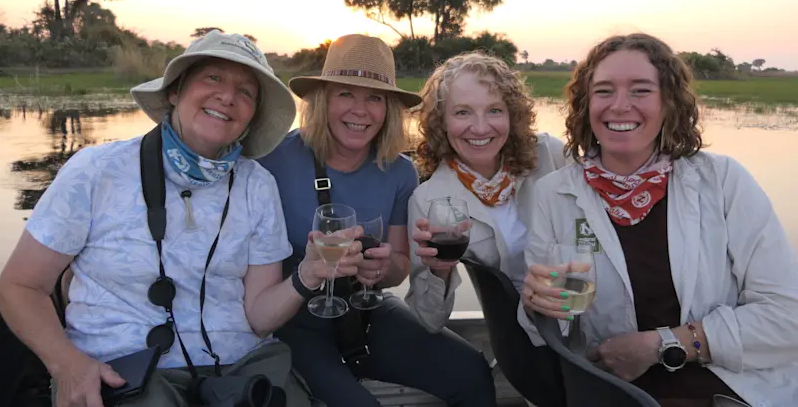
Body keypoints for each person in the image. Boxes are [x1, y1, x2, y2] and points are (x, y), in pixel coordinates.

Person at [0, 30, 357, 407]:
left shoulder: (258, 185)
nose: (227, 96)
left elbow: (259, 317)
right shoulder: (96, 170)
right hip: (123, 369)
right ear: (174, 91)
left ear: (252, 116)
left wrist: (308, 274)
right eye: (213, 78)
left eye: (246, 92)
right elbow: (20, 286)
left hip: (240, 367)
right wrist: (66, 364)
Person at [519, 33, 798, 407]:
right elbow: (547, 332)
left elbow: (788, 317)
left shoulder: (724, 182)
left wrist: (662, 344)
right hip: (614, 390)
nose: (620, 106)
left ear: (669, 103)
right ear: (585, 105)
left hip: (730, 386)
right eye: (604, 91)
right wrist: (538, 304)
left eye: (640, 90)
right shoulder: (553, 194)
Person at [259, 34, 497, 407]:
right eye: (345, 94)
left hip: (365, 311)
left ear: (388, 109)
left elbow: (398, 269)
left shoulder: (400, 172)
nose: (361, 110)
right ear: (322, 100)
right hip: (295, 321)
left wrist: (381, 270)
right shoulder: (273, 161)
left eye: (374, 98)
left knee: (472, 373)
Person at [404, 52, 568, 407]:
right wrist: (438, 272)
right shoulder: (429, 199)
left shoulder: (551, 155)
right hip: (530, 345)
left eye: (494, 110)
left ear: (513, 114)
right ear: (441, 122)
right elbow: (428, 320)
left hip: (591, 324)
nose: (480, 128)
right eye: (462, 112)